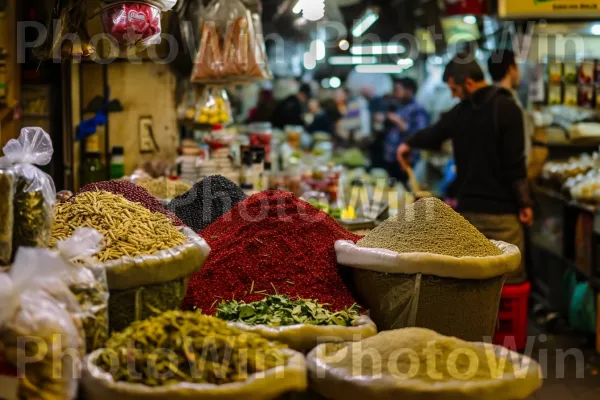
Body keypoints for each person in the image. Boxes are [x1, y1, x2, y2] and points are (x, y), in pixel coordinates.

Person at [397, 52, 533, 284]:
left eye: (454, 89)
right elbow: (515, 164)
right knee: (506, 283)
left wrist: (408, 144)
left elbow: (434, 133)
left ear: (469, 82)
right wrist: (525, 203)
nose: (453, 96)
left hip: (470, 216)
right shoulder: (507, 107)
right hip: (503, 216)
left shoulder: (462, 112)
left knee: (474, 286)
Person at [487, 49, 534, 165]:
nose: (519, 73)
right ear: (511, 69)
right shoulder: (506, 102)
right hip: (509, 177)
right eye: (517, 67)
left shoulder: (489, 99)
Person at [383, 78, 430, 184]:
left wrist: (398, 122)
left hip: (407, 160)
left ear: (409, 91)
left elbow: (420, 135)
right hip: (393, 159)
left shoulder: (418, 109)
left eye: (398, 90)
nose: (395, 93)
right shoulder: (399, 107)